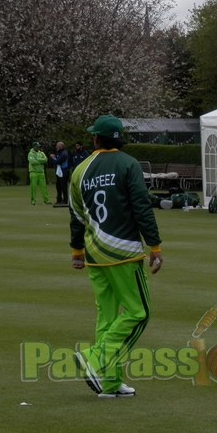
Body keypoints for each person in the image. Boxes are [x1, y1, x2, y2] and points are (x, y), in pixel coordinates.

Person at [70, 115, 163, 398]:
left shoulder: (80, 170)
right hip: (123, 253)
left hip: (94, 254)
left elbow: (76, 216)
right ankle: (95, 358)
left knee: (107, 317)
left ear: (96, 138)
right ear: (119, 138)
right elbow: (141, 206)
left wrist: (76, 251)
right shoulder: (128, 163)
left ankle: (109, 383)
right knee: (139, 312)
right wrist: (155, 246)